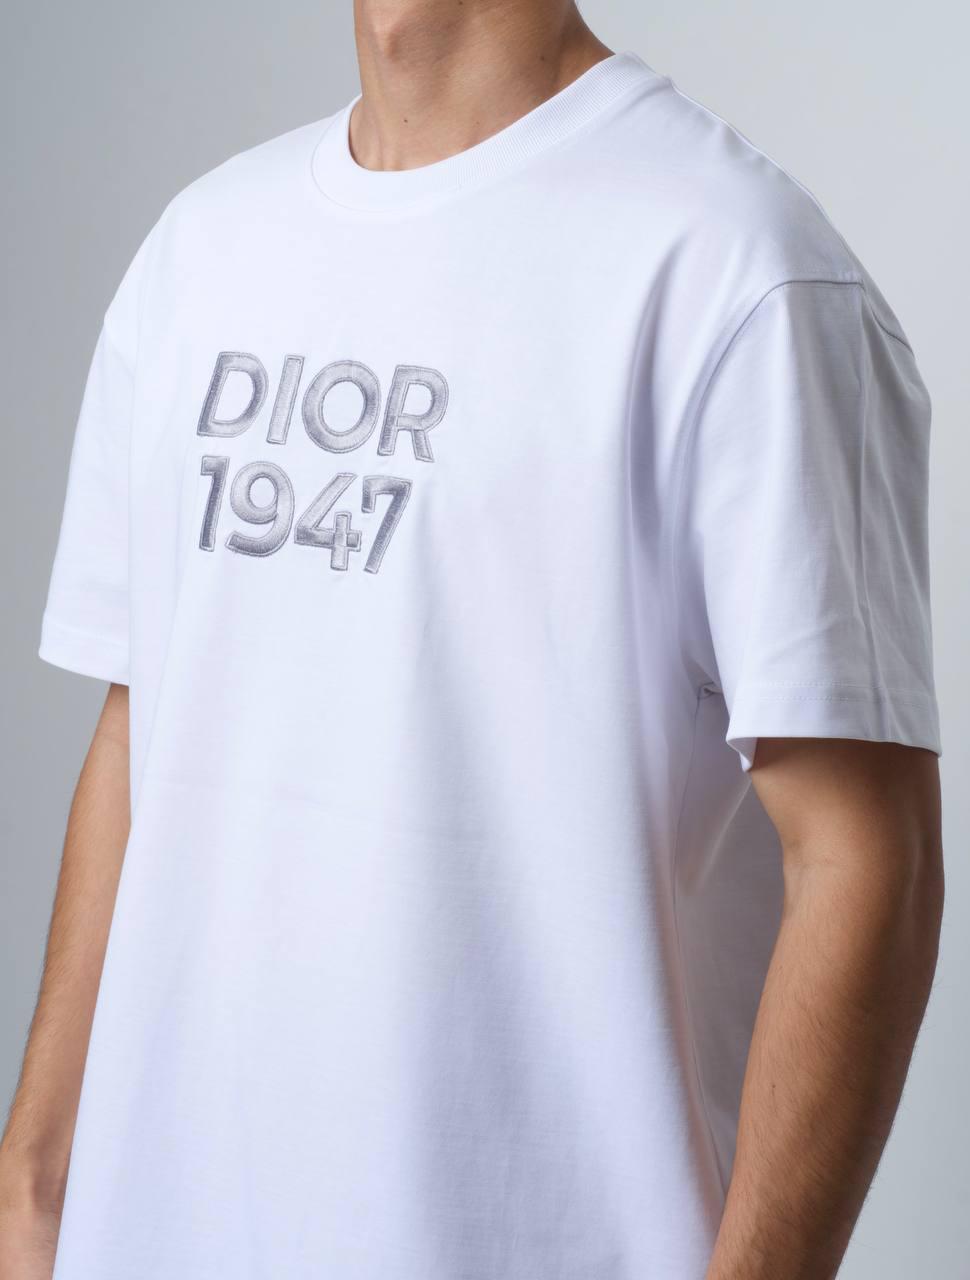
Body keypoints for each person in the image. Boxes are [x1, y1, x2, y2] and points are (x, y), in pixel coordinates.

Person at [0, 1, 944, 1276]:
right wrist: (33, 1188)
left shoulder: (738, 273)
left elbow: (865, 859)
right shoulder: (200, 249)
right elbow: (143, 728)